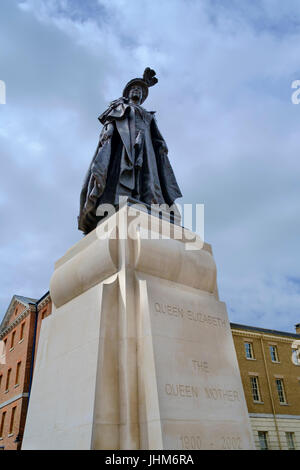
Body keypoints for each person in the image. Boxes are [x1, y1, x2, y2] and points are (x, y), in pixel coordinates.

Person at [78, 68, 182, 234]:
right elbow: (110, 122)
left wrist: (161, 148)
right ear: (127, 93)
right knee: (120, 174)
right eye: (134, 89)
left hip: (147, 149)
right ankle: (119, 202)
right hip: (124, 145)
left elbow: (156, 136)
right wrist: (108, 131)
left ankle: (149, 203)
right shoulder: (120, 107)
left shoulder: (148, 114)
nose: (137, 91)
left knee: (149, 178)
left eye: (140, 91)